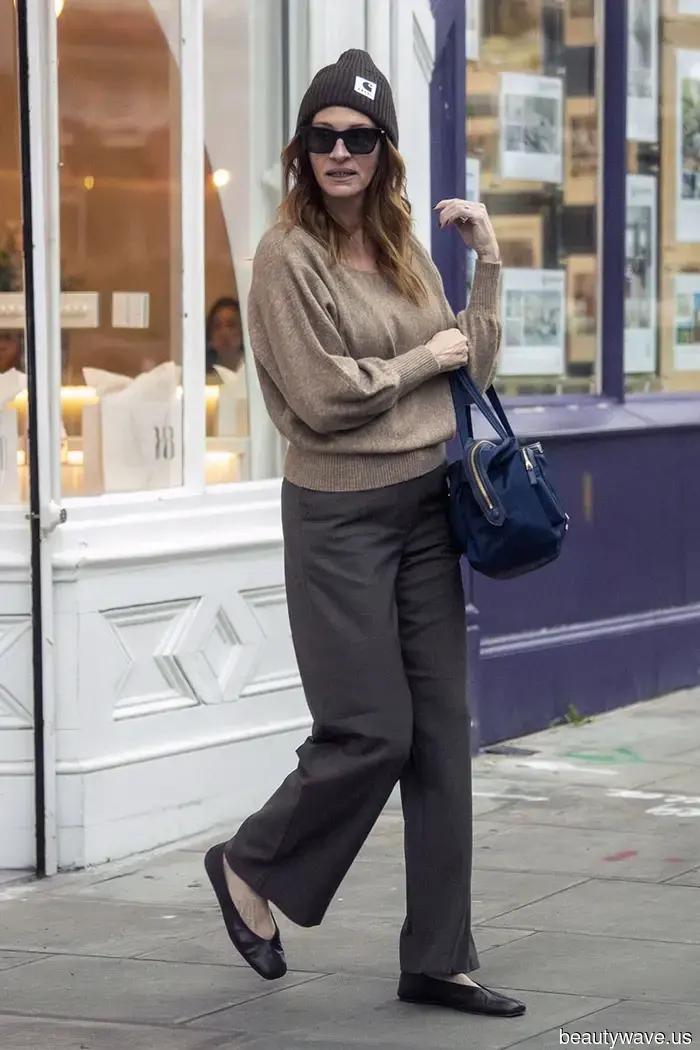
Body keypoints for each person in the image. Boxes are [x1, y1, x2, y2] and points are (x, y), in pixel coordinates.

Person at [204, 49, 525, 1020]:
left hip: (427, 509)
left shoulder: (403, 248)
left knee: (438, 741)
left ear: (385, 153)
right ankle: (248, 865)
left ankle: (439, 957)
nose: (339, 151)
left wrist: (489, 263)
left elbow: (470, 361)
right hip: (339, 516)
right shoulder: (282, 260)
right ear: (301, 151)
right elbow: (319, 398)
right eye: (322, 136)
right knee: (369, 732)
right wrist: (420, 357)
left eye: (359, 137)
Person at [205, 296, 245, 375]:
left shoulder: (254, 372)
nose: (224, 332)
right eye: (217, 326)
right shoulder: (203, 376)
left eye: (231, 325)